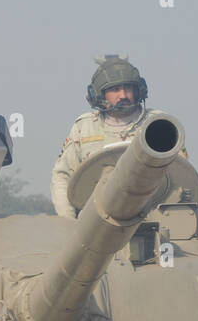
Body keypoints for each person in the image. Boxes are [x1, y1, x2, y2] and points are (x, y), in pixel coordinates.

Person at [51, 55, 176, 218]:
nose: (123, 95)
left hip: (152, 219)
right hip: (95, 222)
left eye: (128, 88)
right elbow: (62, 176)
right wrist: (68, 223)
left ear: (139, 90)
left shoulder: (158, 125)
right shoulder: (85, 127)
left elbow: (179, 175)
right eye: (115, 89)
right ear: (99, 94)